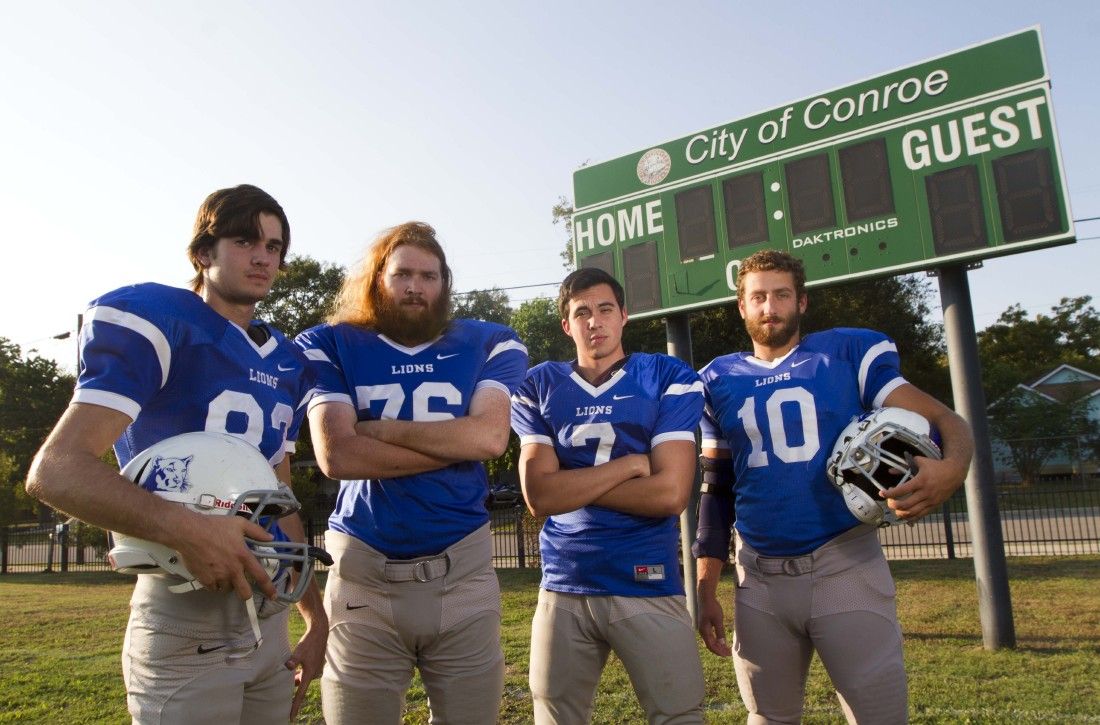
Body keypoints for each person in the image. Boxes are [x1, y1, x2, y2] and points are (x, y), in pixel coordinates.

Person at [26, 184, 327, 722]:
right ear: (203, 252)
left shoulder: (287, 361)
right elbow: (55, 471)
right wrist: (186, 528)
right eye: (245, 240)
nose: (263, 256)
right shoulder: (162, 320)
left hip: (270, 606)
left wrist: (314, 614)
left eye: (275, 246)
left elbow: (279, 499)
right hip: (186, 609)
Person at [693, 250, 974, 724]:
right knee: (767, 718)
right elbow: (716, 489)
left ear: (801, 302)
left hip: (844, 565)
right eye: (758, 297)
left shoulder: (846, 353)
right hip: (757, 576)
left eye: (781, 295)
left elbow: (947, 421)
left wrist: (952, 470)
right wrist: (704, 585)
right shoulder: (716, 379)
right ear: (741, 307)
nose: (770, 308)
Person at [296, 221, 528, 725]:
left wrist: (377, 430)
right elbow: (339, 456)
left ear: (445, 283)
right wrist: (456, 440)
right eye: (403, 274)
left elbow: (489, 439)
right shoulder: (328, 343)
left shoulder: (491, 341)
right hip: (363, 577)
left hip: (462, 571)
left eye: (429, 276)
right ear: (378, 278)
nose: (415, 287)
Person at [510, 268, 706, 724]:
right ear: (567, 325)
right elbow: (539, 495)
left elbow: (669, 494)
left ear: (623, 316)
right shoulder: (539, 385)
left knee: (679, 714)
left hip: (644, 578)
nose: (593, 322)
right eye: (581, 313)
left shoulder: (665, 375)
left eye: (603, 310)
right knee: (556, 716)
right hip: (563, 581)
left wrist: (572, 484)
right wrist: (629, 467)